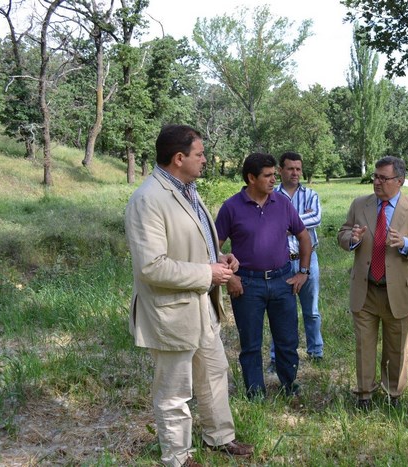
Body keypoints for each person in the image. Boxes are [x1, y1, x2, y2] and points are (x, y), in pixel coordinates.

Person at [124, 125, 253, 467]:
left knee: (214, 373)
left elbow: (193, 242)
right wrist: (207, 274)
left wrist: (218, 259)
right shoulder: (147, 199)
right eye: (199, 154)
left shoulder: (188, 190)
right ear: (179, 158)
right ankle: (178, 457)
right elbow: (151, 267)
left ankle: (220, 437)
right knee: (174, 390)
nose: (205, 159)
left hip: (202, 306)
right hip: (171, 312)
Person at [338, 156, 408, 408]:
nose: (377, 182)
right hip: (366, 288)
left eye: (384, 177)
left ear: (399, 181)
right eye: (375, 176)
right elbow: (343, 234)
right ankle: (364, 394)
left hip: (398, 290)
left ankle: (394, 393)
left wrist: (405, 243)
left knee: (397, 345)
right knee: (364, 345)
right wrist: (353, 238)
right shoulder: (360, 205)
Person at [215, 152, 312, 399]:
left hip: (283, 281)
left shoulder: (282, 203)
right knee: (250, 344)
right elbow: (213, 246)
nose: (273, 180)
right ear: (251, 178)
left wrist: (302, 272)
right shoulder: (231, 207)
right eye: (267, 176)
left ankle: (289, 385)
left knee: (287, 340)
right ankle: (255, 392)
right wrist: (230, 277)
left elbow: (303, 236)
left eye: (273, 175)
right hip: (247, 284)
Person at [268, 152, 324, 371]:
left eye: (298, 169)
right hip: (279, 261)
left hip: (307, 259)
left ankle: (316, 351)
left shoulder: (311, 194)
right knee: (279, 311)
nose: (295, 173)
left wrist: (283, 223)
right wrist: (300, 220)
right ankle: (276, 357)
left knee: (311, 309)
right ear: (280, 170)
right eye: (290, 168)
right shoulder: (271, 195)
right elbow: (268, 223)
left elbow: (316, 218)